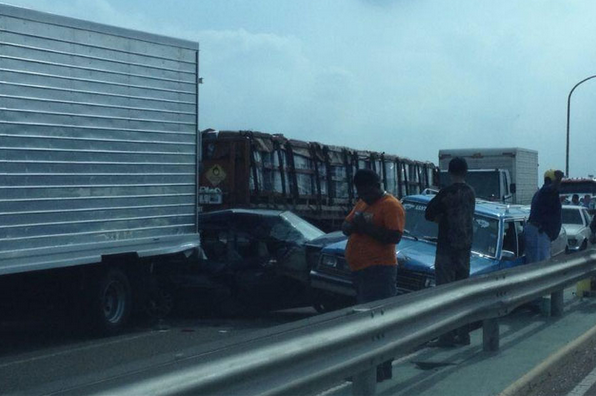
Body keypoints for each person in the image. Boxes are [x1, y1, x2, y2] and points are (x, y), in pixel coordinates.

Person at [342, 168, 405, 382]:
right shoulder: (362, 203)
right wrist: (352, 226)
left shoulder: (391, 206)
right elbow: (346, 225)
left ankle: (382, 367)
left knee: (378, 321)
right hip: (360, 270)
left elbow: (394, 236)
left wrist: (365, 226)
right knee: (363, 323)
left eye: (366, 192)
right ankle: (367, 366)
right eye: (360, 193)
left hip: (380, 270)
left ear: (377, 186)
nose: (363, 197)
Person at [424, 157, 476, 347]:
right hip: (465, 248)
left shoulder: (446, 192)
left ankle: (446, 336)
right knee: (462, 293)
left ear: (449, 172)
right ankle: (464, 335)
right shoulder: (471, 192)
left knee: (444, 294)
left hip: (446, 249)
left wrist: (442, 217)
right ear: (466, 172)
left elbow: (428, 213)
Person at [524, 169, 564, 264]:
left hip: (537, 232)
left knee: (536, 263)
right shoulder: (546, 191)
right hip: (539, 233)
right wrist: (558, 179)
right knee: (541, 266)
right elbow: (552, 189)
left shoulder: (541, 193)